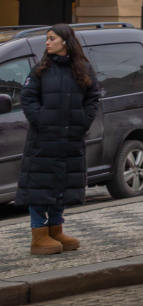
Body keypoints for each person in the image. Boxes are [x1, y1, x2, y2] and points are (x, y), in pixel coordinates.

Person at [18, 24, 101, 256]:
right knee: (39, 184)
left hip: (70, 139)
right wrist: (41, 120)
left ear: (65, 41)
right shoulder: (40, 69)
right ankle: (39, 234)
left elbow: (93, 98)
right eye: (47, 38)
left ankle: (56, 229)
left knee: (61, 182)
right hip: (43, 139)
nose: (47, 42)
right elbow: (27, 97)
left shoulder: (84, 68)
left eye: (51, 38)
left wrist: (82, 122)